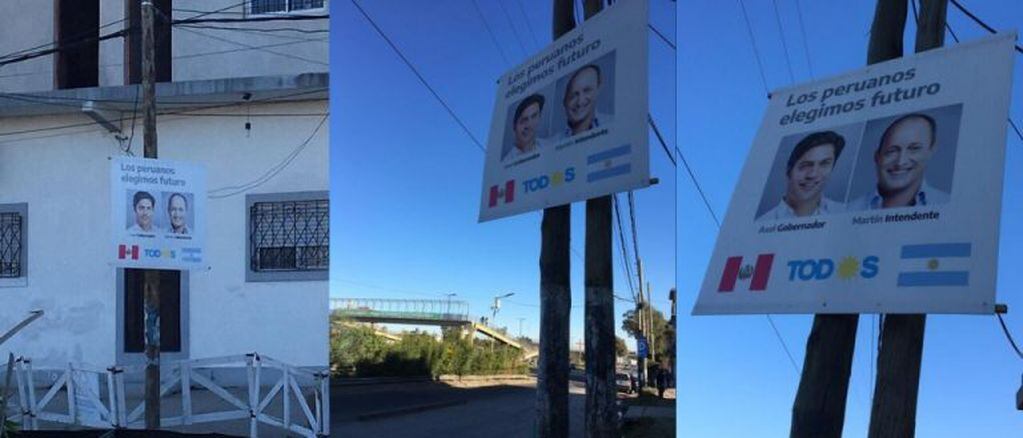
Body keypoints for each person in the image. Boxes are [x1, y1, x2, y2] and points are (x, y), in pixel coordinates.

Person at [849, 113, 949, 209]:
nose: (901, 162)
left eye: (914, 148)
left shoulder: (947, 204)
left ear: (931, 150)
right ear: (877, 157)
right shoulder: (850, 209)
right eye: (891, 151)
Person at [759, 131, 845, 220]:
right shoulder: (764, 221)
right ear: (789, 171)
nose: (813, 174)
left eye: (824, 164)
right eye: (805, 165)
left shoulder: (844, 211)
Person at [559, 64, 613, 139]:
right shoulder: (551, 142)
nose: (580, 102)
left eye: (587, 90)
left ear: (598, 89)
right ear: (564, 102)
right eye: (573, 95)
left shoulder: (612, 123)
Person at [503, 94, 546, 161]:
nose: (529, 125)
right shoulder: (507, 161)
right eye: (523, 120)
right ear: (514, 126)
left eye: (534, 116)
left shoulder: (548, 144)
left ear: (539, 117)